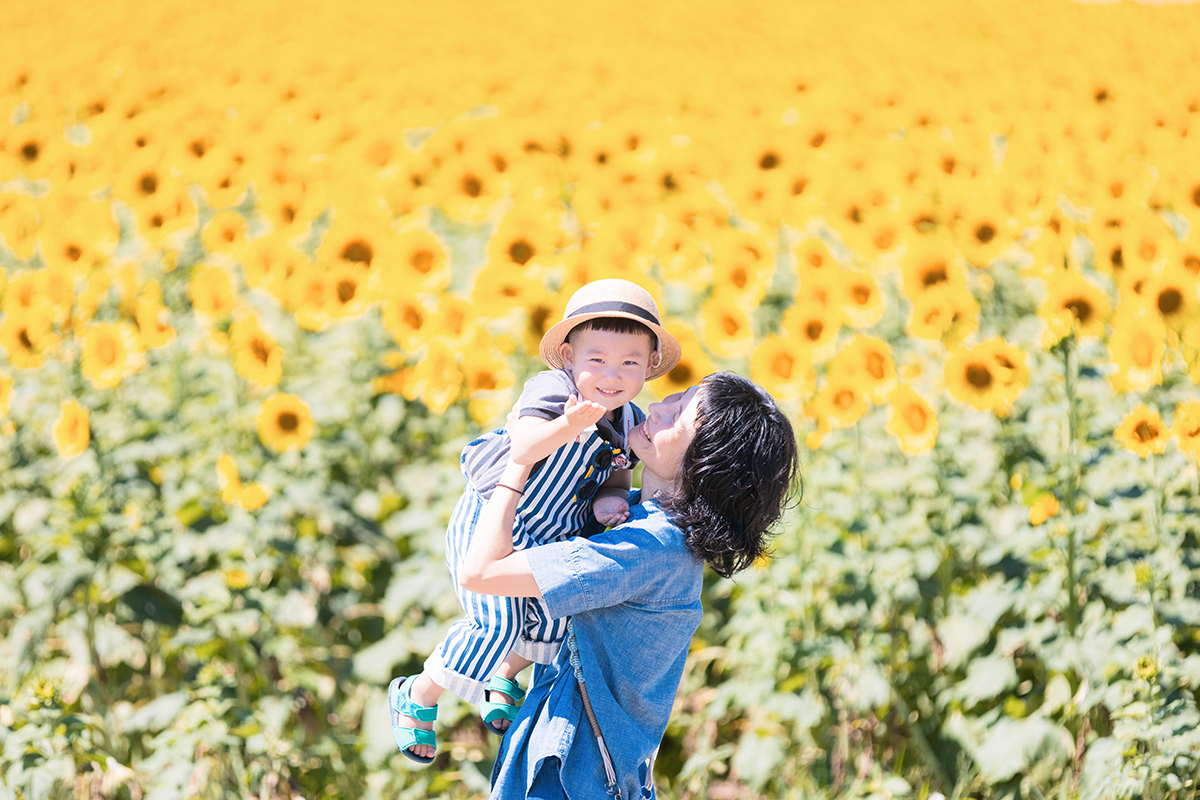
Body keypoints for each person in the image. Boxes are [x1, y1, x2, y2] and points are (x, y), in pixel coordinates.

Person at [459, 372, 801, 800]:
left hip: (569, 775)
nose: (657, 408)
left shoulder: (645, 547)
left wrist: (519, 462)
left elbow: (482, 572)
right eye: (674, 398)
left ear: (705, 463)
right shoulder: (637, 516)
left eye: (677, 417)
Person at [388, 279, 682, 763]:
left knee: (553, 617)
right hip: (496, 516)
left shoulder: (629, 418)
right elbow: (523, 450)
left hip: (553, 528)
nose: (612, 375)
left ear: (649, 366)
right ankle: (417, 696)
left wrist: (608, 500)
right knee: (494, 622)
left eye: (630, 362)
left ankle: (503, 675)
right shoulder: (552, 389)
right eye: (597, 359)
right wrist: (570, 424)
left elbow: (616, 472)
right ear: (568, 356)